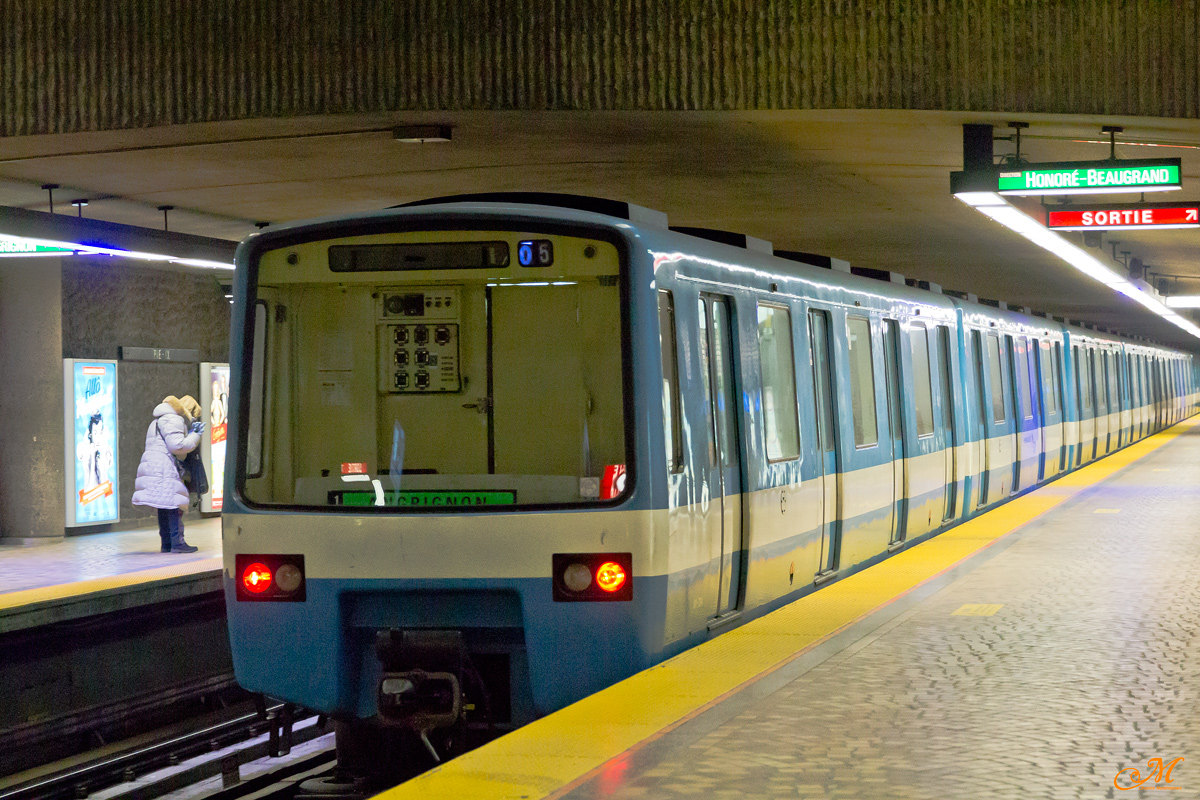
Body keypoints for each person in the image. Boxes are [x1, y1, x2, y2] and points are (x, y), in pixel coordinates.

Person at [132, 395, 205, 553]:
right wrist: (195, 435)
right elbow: (177, 446)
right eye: (192, 415)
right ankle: (177, 543)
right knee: (173, 504)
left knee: (164, 505)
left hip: (154, 464)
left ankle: (167, 543)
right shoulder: (173, 419)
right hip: (164, 466)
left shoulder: (158, 420)